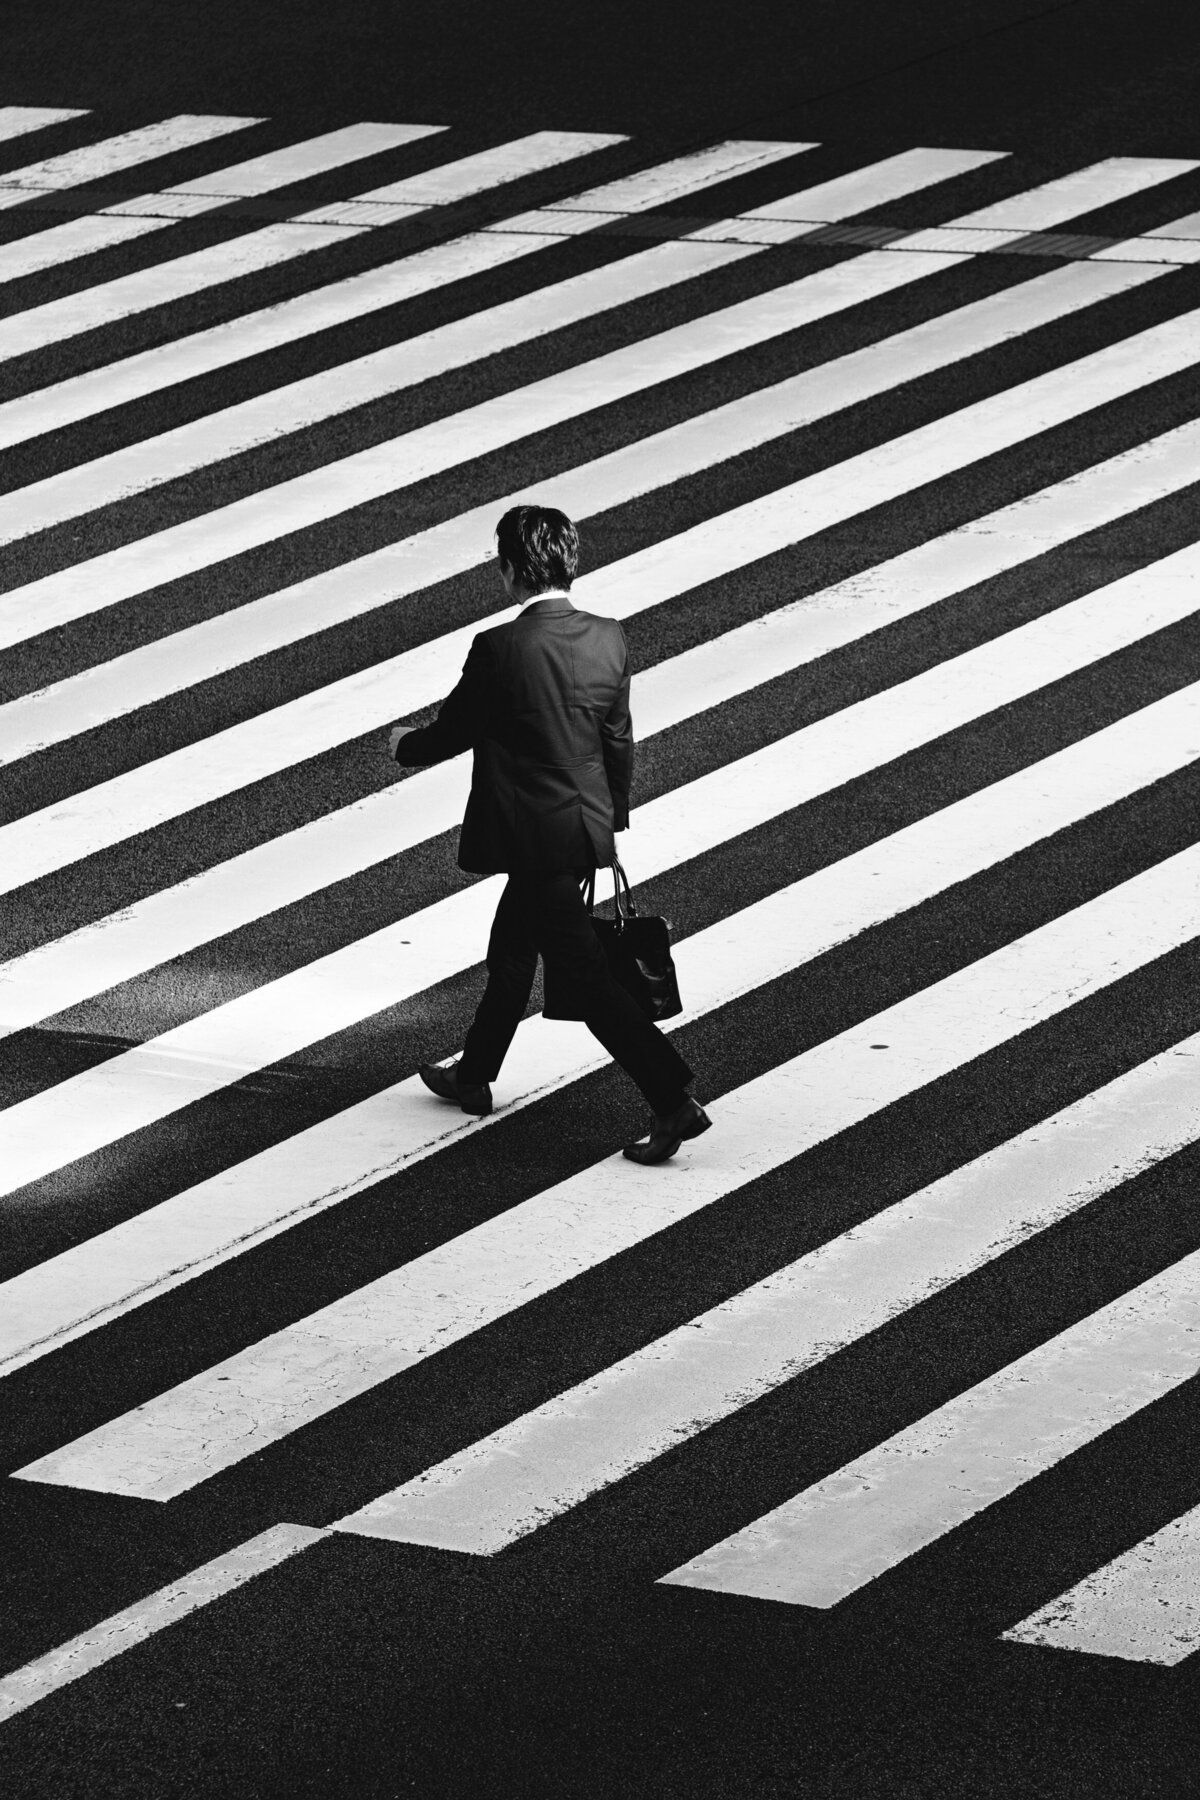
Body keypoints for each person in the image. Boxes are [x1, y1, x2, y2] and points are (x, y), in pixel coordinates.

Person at [388, 503, 710, 1165]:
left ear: (509, 571)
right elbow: (616, 740)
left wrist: (403, 746)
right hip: (578, 828)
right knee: (512, 950)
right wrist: (607, 825)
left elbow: (454, 731)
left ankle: (673, 1099)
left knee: (587, 981)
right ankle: (474, 1072)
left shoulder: (501, 648)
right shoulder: (608, 638)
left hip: (528, 835)